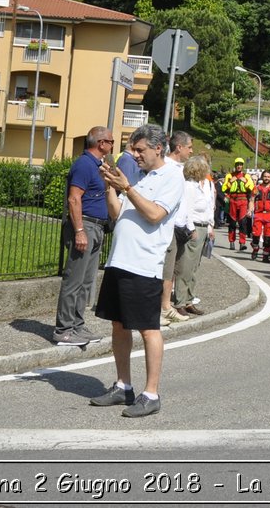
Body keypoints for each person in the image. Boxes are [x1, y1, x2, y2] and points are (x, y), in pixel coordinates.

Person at [90, 124, 183, 418]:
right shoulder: (143, 178)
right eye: (134, 149)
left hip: (143, 265)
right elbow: (118, 215)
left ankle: (151, 393)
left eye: (139, 150)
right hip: (120, 261)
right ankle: (123, 386)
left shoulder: (172, 176)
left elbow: (155, 215)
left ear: (158, 148)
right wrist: (109, 187)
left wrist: (126, 188)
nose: (135, 155)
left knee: (148, 329)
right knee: (119, 324)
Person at [54, 127, 111, 345]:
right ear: (101, 143)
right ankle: (64, 329)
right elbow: (74, 199)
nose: (113, 146)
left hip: (95, 227)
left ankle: (77, 325)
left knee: (85, 282)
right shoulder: (84, 165)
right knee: (74, 280)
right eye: (111, 141)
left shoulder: (97, 165)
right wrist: (79, 231)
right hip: (85, 226)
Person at [169, 152, 215, 318]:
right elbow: (186, 210)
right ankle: (180, 301)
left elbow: (208, 207)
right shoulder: (189, 186)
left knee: (194, 267)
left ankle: (189, 299)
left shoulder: (198, 186)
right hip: (194, 228)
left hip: (202, 227)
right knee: (185, 266)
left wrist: (209, 227)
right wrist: (192, 230)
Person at [158, 133, 194, 323]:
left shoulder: (181, 168)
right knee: (166, 268)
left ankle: (166, 305)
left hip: (180, 225)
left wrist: (189, 224)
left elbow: (184, 200)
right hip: (169, 224)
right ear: (179, 147)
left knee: (173, 269)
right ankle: (163, 307)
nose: (191, 151)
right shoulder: (166, 166)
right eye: (189, 147)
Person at [221, 157, 255, 252]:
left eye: (240, 164)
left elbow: (252, 188)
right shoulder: (229, 176)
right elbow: (223, 189)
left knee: (243, 222)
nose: (239, 166)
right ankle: (231, 241)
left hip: (243, 200)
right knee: (232, 222)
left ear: (242, 166)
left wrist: (246, 182)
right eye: (237, 164)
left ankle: (242, 243)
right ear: (235, 165)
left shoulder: (246, 176)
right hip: (233, 200)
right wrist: (230, 182)